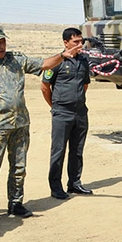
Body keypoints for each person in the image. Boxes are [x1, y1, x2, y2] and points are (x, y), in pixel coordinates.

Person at [0, 26, 82, 225]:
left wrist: (62, 56)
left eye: (3, 41)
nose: (1, 46)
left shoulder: (16, 60)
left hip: (20, 124)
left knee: (19, 167)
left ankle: (16, 202)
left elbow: (44, 64)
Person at [41, 27, 93, 199]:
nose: (79, 45)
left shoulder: (84, 61)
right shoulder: (57, 62)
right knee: (58, 150)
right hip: (62, 112)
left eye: (81, 42)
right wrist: (55, 106)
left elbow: (85, 84)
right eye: (75, 42)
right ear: (65, 43)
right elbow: (45, 87)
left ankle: (75, 183)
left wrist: (77, 101)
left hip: (80, 112)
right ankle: (56, 186)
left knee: (77, 150)